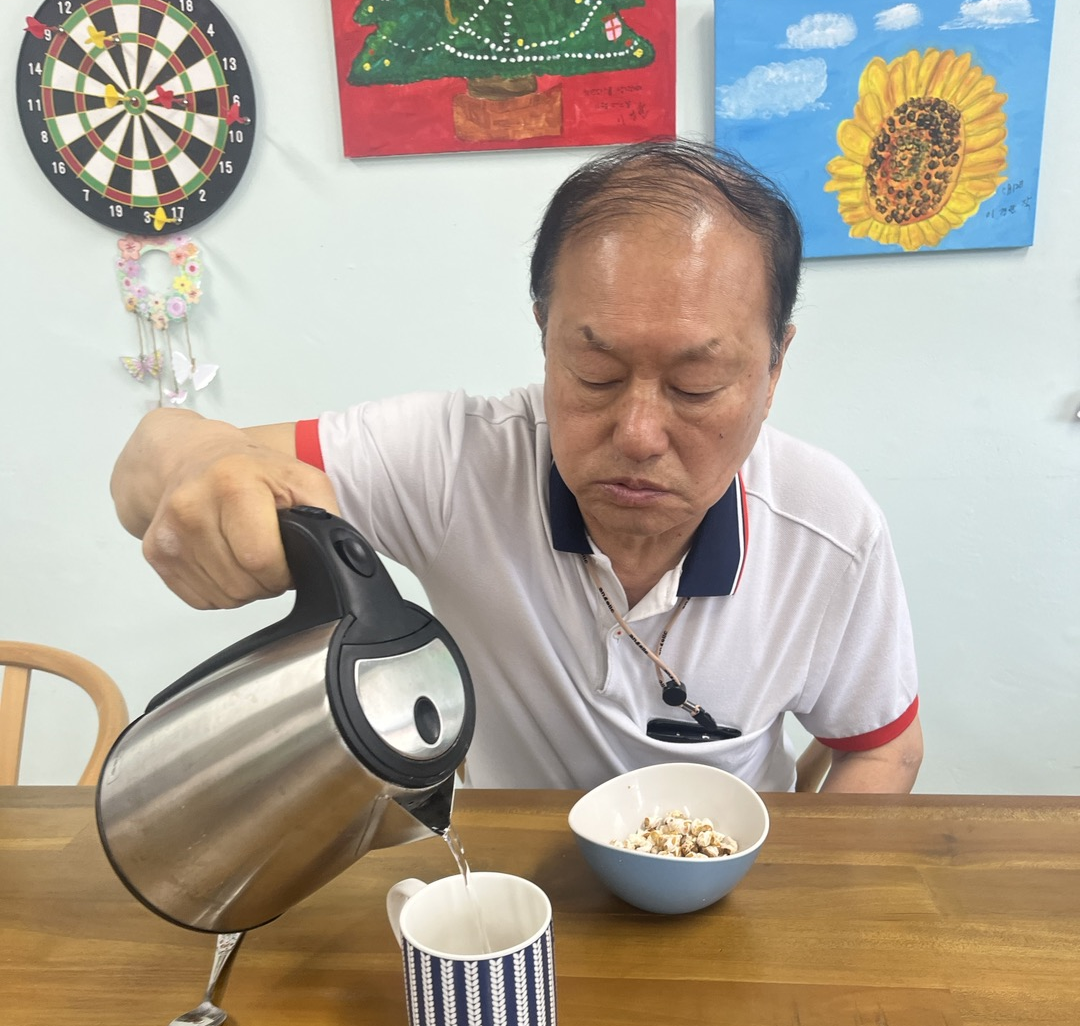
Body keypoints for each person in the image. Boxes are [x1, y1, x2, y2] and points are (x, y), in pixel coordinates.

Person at [111, 139, 922, 793]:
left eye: (696, 385)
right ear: (544, 336)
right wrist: (203, 458)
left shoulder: (827, 528)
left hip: (725, 895)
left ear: (774, 368)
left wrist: (795, 899)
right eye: (595, 374)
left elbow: (883, 746)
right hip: (518, 888)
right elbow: (150, 461)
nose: (640, 433)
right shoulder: (454, 462)